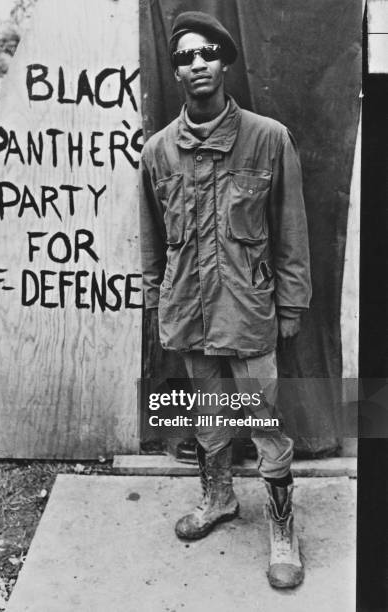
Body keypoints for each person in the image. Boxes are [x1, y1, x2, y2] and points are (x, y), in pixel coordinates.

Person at [139, 11, 312, 589]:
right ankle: (218, 499)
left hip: (248, 308)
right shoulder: (158, 151)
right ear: (178, 71)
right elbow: (152, 237)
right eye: (185, 57)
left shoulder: (268, 138)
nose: (196, 65)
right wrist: (153, 298)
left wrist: (290, 306)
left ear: (225, 62)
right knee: (209, 413)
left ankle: (283, 532)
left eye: (207, 53)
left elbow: (291, 230)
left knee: (262, 416)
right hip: (188, 308)